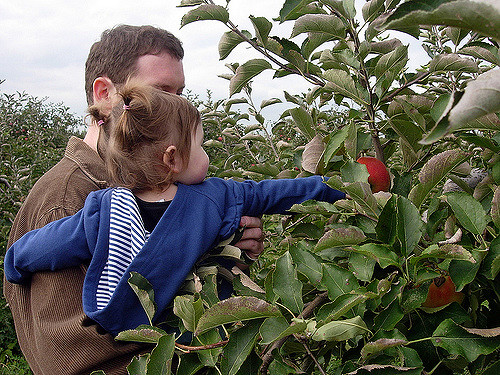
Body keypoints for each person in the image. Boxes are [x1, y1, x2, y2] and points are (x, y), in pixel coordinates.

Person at [3, 25, 264, 375]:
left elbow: (162, 289)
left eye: (180, 93)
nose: (176, 106)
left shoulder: (153, 184)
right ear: (104, 94)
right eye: (161, 91)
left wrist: (226, 254)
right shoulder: (68, 200)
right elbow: (74, 358)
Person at [5, 82, 346, 337]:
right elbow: (278, 193)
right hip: (198, 333)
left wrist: (15, 260)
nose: (207, 156)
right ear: (172, 158)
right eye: (200, 145)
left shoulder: (104, 208)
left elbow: (49, 244)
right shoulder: (215, 196)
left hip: (123, 325)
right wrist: (338, 187)